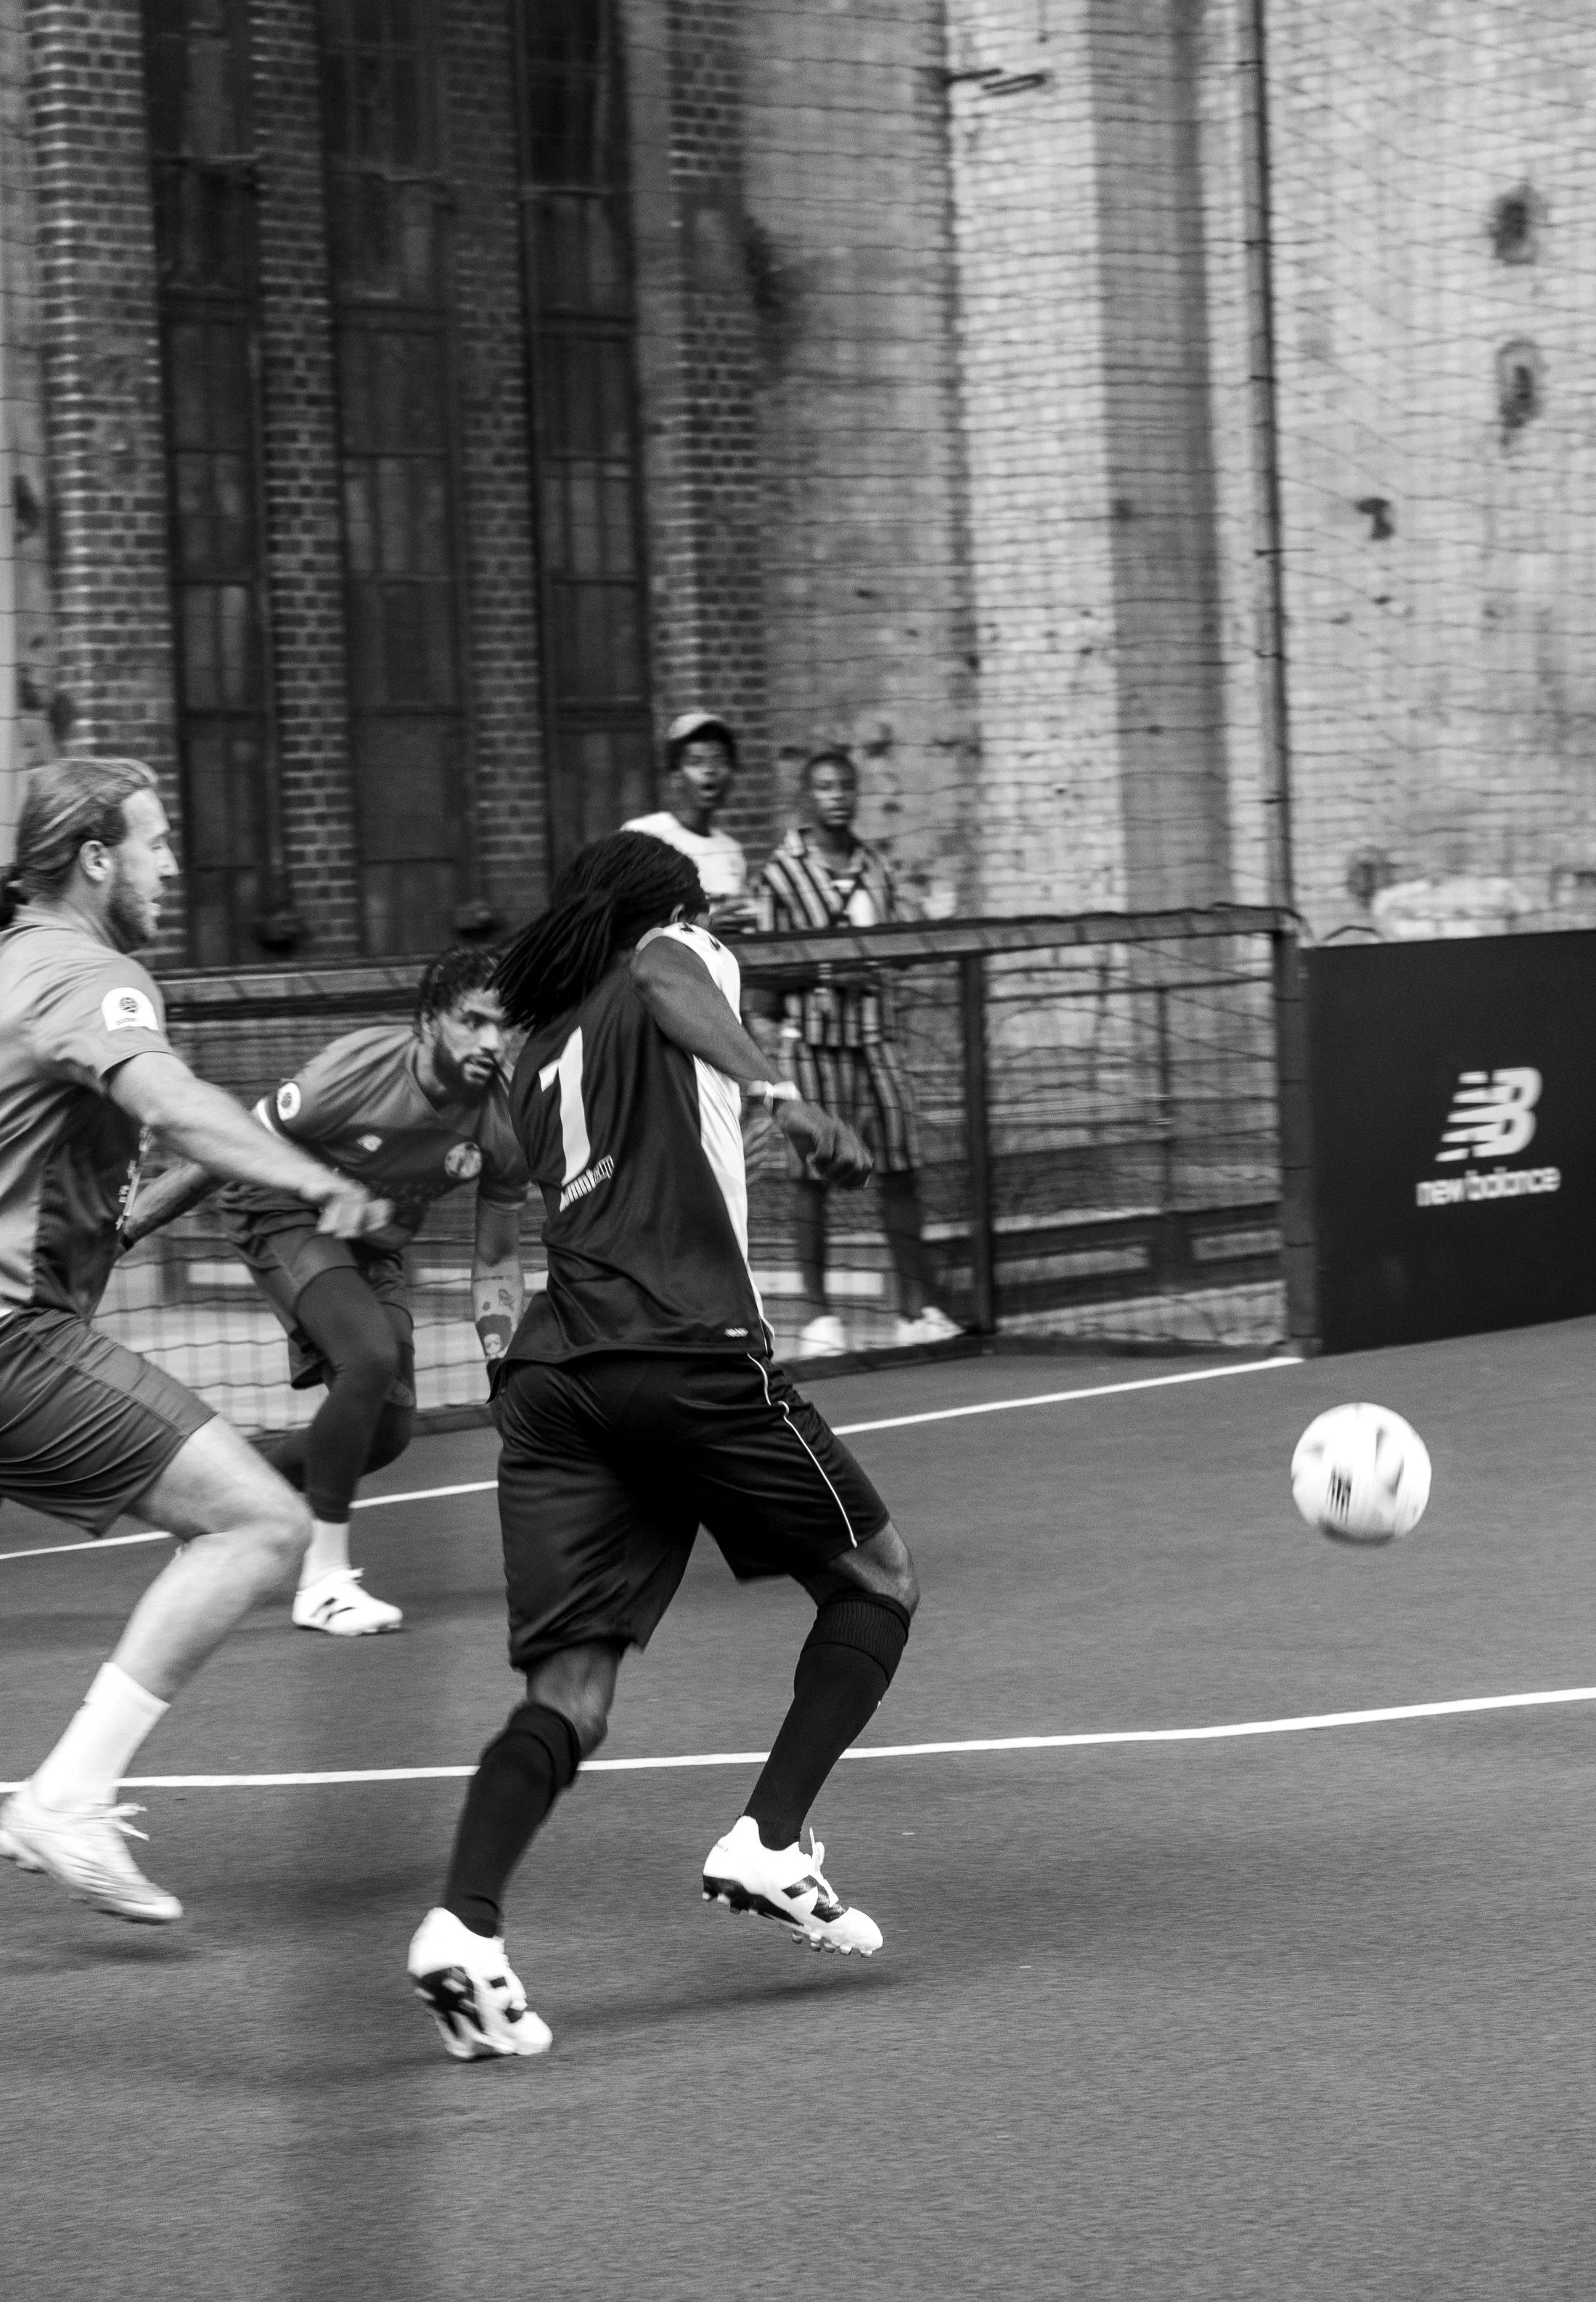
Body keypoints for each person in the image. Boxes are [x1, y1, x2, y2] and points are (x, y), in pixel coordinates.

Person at [406, 830, 918, 2061]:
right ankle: (772, 1838)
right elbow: (667, 980)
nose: (720, 931)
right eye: (709, 911)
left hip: (556, 1379)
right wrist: (784, 1097)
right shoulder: (671, 956)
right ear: (670, 909)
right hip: (683, 1351)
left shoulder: (529, 1054)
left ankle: (464, 1926)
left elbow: (552, 1177)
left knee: (570, 1697)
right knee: (876, 1579)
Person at [0, 758, 385, 1925]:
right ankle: (66, 1795)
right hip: (14, 1339)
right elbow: (172, 1101)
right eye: (158, 844)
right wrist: (313, 1178)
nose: (176, 865)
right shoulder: (86, 970)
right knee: (261, 1521)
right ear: (95, 859)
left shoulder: (14, 961)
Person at [120, 948, 528, 1638]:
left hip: (373, 1239)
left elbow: (497, 1260)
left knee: (389, 1431)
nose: (492, 1042)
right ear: (430, 1022)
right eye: (473, 1021)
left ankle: (219, 1514)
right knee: (366, 1358)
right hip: (279, 1203)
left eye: (505, 1026)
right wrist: (127, 1231)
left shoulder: (504, 1124)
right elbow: (226, 1146)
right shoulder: (355, 1070)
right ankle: (325, 1583)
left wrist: (504, 1369)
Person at [758, 750, 960, 1358]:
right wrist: (826, 971)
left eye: (846, 787)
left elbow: (895, 948)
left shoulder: (875, 866)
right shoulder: (780, 875)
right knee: (812, 1176)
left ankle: (914, 1307)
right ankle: (820, 1317)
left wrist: (929, 925)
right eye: (824, 787)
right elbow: (766, 969)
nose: (837, 797)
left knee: (900, 1165)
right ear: (806, 798)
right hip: (815, 1044)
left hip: (878, 1038)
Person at [622, 708, 756, 933]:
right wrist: (700, 926)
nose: (710, 770)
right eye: (696, 761)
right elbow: (625, 919)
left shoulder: (731, 850)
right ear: (675, 775)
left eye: (720, 760)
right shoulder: (644, 836)